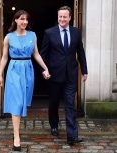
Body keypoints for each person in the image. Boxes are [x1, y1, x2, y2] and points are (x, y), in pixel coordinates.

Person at [0, 10, 50, 151]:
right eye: (22, 19)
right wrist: (0, 74)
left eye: (26, 19)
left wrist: (46, 68)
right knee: (17, 102)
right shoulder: (8, 37)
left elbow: (37, 54)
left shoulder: (32, 35)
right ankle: (16, 137)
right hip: (14, 70)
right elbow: (4, 57)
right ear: (16, 20)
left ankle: (16, 133)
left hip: (28, 69)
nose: (25, 22)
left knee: (22, 103)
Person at [40, 6, 88, 145]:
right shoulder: (49, 33)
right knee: (54, 103)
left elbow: (81, 52)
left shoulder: (76, 32)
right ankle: (54, 125)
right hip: (54, 75)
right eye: (60, 16)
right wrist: (44, 70)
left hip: (71, 75)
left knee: (70, 105)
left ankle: (71, 135)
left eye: (65, 17)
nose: (62, 19)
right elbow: (43, 54)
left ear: (70, 18)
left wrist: (84, 70)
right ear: (58, 17)